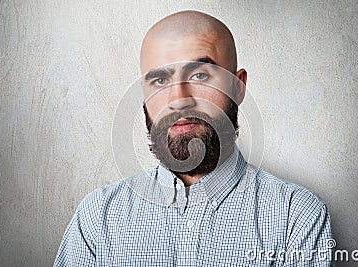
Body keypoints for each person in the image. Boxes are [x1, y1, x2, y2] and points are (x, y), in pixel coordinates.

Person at [54, 10, 334, 266]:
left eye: (200, 75)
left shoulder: (295, 216)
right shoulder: (97, 218)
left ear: (238, 87)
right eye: (160, 81)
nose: (178, 100)